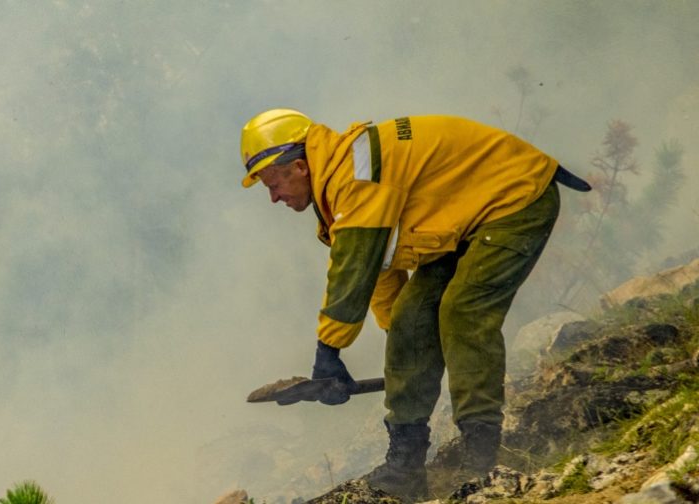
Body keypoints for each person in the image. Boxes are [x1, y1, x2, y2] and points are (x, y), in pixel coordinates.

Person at [237, 109, 588, 500]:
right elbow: (377, 267)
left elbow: (353, 269)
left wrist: (328, 353)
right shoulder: (342, 179)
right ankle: (405, 466)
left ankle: (483, 459)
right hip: (464, 221)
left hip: (516, 198)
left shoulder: (354, 177)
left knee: (463, 311)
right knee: (411, 318)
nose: (273, 198)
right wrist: (406, 343)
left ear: (299, 166)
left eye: (273, 183)